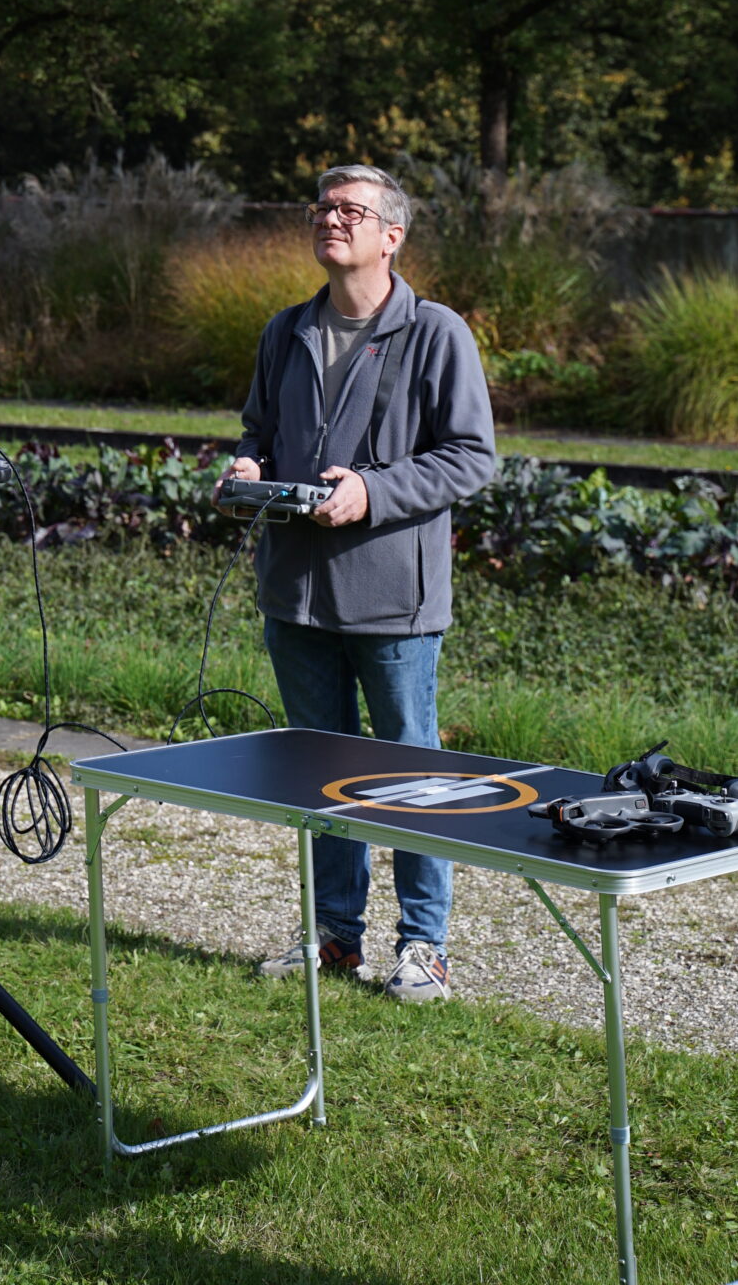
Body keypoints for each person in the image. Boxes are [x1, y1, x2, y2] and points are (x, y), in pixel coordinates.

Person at [228, 163, 495, 1002]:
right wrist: (248, 467)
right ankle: (334, 936)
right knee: (316, 772)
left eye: (349, 210)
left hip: (393, 602)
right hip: (295, 595)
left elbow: (470, 457)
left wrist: (371, 491)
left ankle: (424, 945)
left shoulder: (435, 332)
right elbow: (258, 431)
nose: (330, 220)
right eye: (321, 208)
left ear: (392, 235)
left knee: (409, 775)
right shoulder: (286, 330)